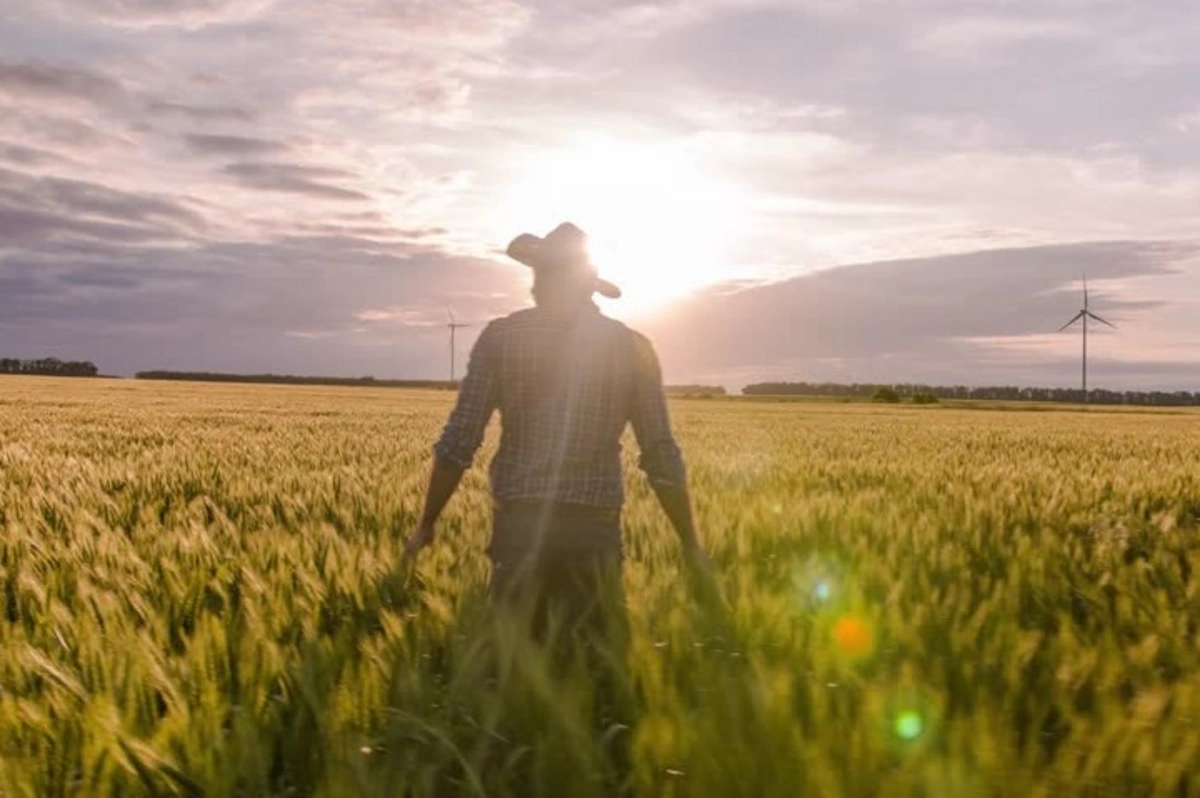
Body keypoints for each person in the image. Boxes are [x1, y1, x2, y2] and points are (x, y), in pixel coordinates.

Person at [403, 222, 709, 636]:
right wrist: (690, 543)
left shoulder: (500, 338)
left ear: (542, 277)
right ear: (588, 286)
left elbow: (459, 441)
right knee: (594, 667)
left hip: (520, 528)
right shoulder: (631, 346)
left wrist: (426, 523)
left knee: (512, 661)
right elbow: (661, 455)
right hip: (594, 531)